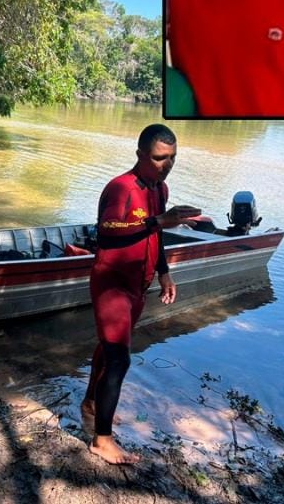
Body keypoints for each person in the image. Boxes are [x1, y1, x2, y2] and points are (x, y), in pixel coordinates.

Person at [81, 124, 199, 465]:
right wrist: (158, 221)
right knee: (120, 358)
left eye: (173, 158)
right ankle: (101, 440)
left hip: (138, 284)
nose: (167, 165)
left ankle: (91, 403)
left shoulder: (159, 189)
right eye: (160, 158)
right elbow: (107, 232)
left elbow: (155, 237)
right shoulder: (120, 188)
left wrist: (164, 272)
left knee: (108, 348)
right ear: (140, 155)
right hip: (112, 283)